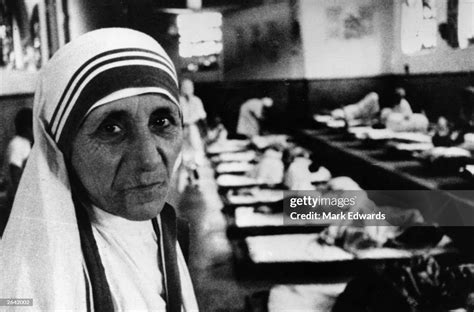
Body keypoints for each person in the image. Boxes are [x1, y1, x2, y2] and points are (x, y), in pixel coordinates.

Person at [0, 28, 199, 311]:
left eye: (162, 121)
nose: (149, 159)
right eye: (111, 128)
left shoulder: (160, 231)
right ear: (62, 147)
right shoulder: (24, 286)